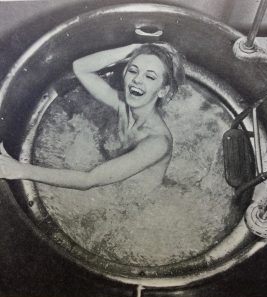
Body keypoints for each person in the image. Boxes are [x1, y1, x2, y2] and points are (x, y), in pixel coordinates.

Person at [0, 43, 184, 192]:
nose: (137, 80)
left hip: (141, 208)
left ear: (163, 90)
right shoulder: (121, 104)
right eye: (133, 70)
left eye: (150, 77)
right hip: (118, 186)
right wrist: (136, 47)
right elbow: (80, 68)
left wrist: (20, 170)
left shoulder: (158, 142)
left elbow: (89, 180)